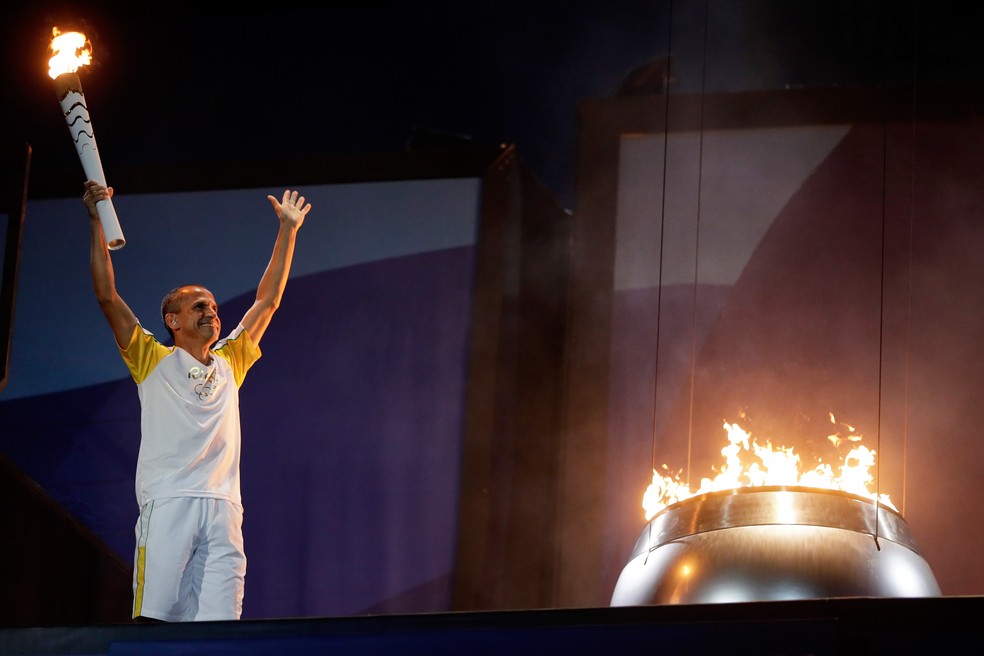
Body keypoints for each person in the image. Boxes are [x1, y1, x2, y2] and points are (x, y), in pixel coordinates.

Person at [82, 180, 311, 622]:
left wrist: (289, 230)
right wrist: (96, 220)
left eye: (213, 307)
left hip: (224, 508)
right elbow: (107, 296)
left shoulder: (231, 361)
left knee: (220, 631)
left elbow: (268, 299)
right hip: (170, 502)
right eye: (198, 307)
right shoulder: (150, 359)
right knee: (155, 623)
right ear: (173, 320)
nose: (212, 312)